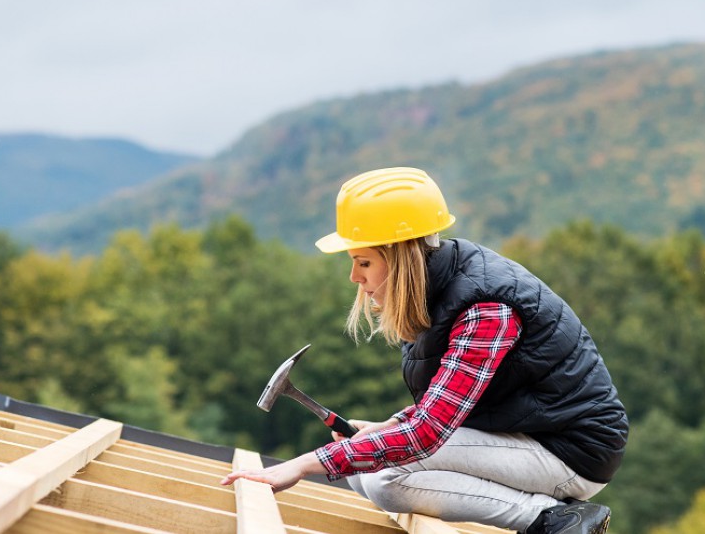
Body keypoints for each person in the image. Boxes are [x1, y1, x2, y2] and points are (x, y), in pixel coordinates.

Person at [221, 167, 628, 533]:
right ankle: (544, 513)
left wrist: (304, 464)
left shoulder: (485, 309)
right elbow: (451, 400)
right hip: (523, 435)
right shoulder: (440, 290)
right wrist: (390, 426)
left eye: (363, 262)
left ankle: (555, 520)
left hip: (570, 452)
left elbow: (430, 432)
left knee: (384, 477)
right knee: (363, 471)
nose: (353, 277)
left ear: (399, 257)